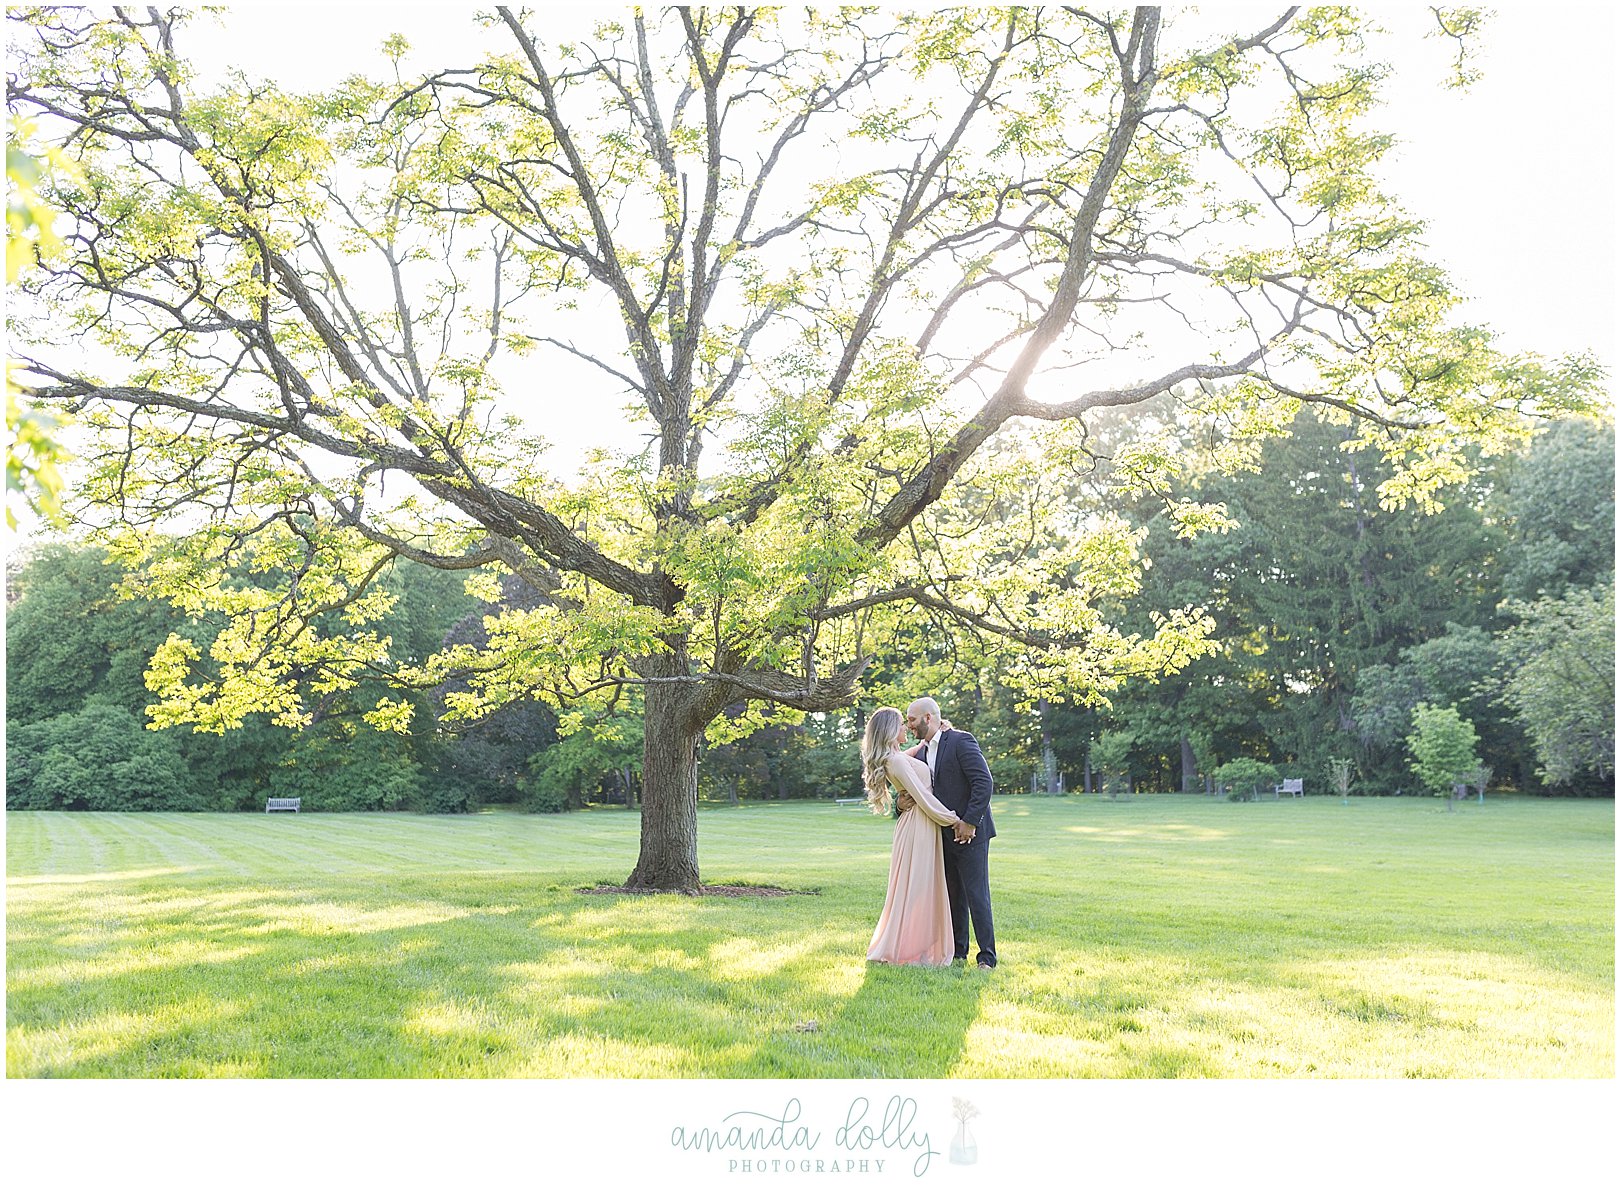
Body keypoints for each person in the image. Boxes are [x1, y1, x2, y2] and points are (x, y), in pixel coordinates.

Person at [860, 706, 964, 966]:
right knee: (918, 887)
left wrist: (941, 729)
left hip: (917, 824)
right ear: (891, 730)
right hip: (919, 825)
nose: (907, 727)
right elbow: (924, 798)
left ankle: (914, 944)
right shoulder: (894, 761)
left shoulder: (896, 756)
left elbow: (916, 754)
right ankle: (910, 948)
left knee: (916, 886)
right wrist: (955, 820)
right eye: (902, 724)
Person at [898, 697, 997, 968]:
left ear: (928, 718)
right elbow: (910, 790)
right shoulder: (918, 753)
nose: (909, 725)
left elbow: (983, 782)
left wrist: (969, 822)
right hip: (940, 835)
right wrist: (898, 804)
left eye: (912, 720)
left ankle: (987, 958)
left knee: (977, 895)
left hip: (972, 833)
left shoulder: (961, 741)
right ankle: (958, 953)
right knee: (953, 896)